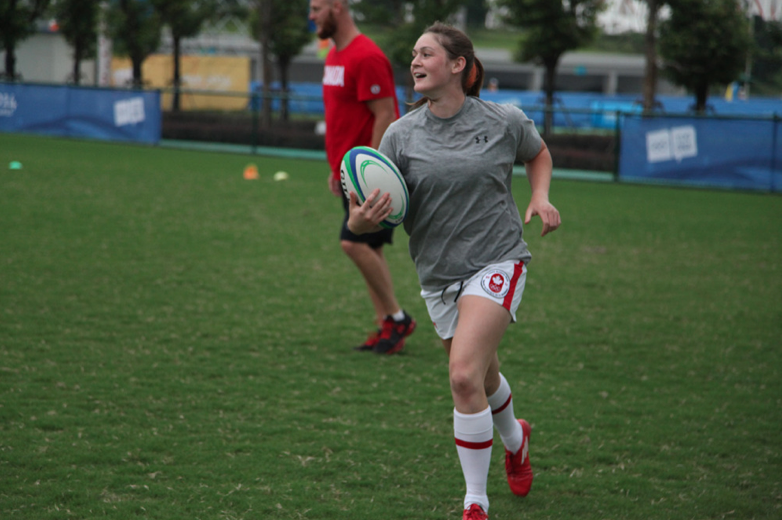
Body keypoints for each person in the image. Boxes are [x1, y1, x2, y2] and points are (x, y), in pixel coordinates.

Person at [346, 22, 561, 520]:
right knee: (483, 378)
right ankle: (516, 438)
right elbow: (359, 215)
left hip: (498, 259)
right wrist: (362, 216)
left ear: (458, 64)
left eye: (426, 54)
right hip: (439, 276)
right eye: (414, 56)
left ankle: (475, 502)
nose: (415, 63)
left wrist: (541, 196)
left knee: (462, 375)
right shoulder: (400, 134)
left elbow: (538, 153)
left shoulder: (503, 119)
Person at [308, 0, 416, 354]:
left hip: (370, 176)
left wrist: (366, 175)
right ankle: (388, 325)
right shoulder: (334, 56)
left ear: (337, 7)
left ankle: (398, 319)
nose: (311, 16)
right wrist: (335, 168)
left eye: (316, 8)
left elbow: (386, 114)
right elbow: (342, 118)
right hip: (349, 173)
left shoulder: (366, 55)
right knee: (369, 249)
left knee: (353, 243)